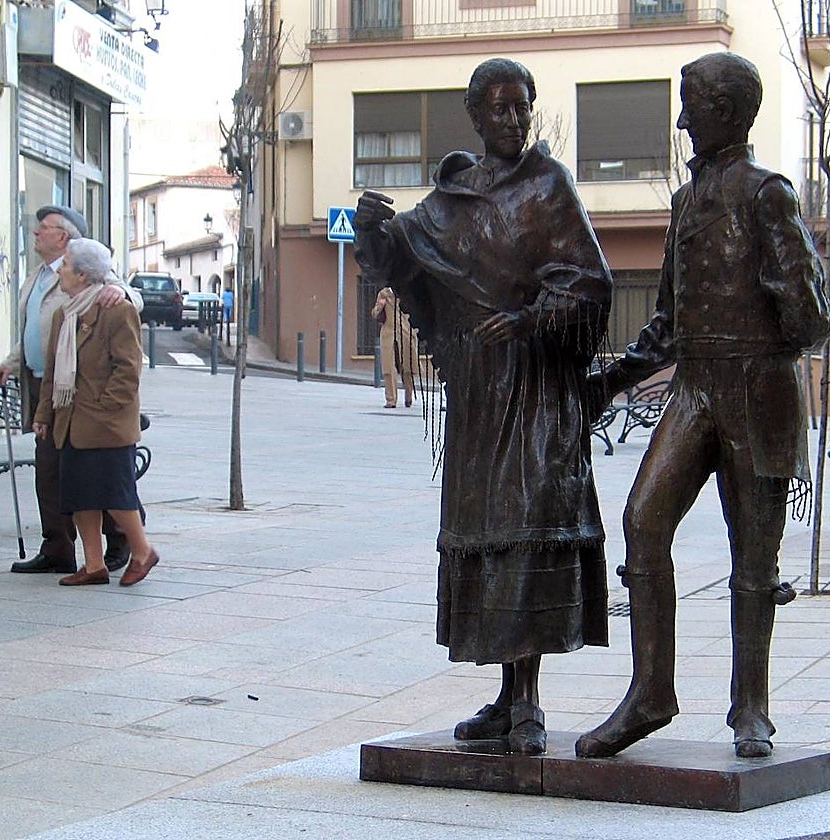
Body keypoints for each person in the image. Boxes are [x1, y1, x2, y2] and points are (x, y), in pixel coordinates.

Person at [576, 52, 830, 761]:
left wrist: (767, 326)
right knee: (642, 517)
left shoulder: (768, 194)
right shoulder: (688, 200)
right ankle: (650, 692)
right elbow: (667, 317)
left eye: (692, 105)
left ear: (729, 111)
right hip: (694, 388)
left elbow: (813, 317)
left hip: (757, 392)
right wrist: (613, 381)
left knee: (754, 558)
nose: (683, 120)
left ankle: (751, 706)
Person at [354, 57, 612, 756]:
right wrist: (372, 232)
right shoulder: (447, 202)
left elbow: (594, 286)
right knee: (491, 535)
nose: (512, 120)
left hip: (536, 391)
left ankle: (527, 702)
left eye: (521, 106)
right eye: (497, 108)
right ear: (474, 114)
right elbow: (404, 264)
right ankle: (506, 697)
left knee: (528, 531)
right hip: (479, 391)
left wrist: (533, 319)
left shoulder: (548, 186)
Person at [0, 206, 142, 576]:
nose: (35, 233)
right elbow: (35, 331)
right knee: (52, 474)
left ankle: (122, 544)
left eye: (43, 228)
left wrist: (116, 289)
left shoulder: (92, 274)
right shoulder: (39, 277)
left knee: (99, 478)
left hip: (86, 396)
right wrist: (13, 362)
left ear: (63, 236)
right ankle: (58, 548)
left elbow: (130, 302)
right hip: (50, 387)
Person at [32, 239, 159, 587]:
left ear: (84, 274)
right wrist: (44, 415)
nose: (61, 270)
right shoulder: (65, 313)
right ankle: (93, 565)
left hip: (107, 423)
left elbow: (128, 370)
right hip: (70, 421)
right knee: (78, 496)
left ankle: (143, 551)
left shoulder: (117, 310)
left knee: (115, 496)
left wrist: (105, 407)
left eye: (67, 264)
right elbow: (52, 368)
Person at [371, 286, 418, 408]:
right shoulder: (384, 293)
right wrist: (380, 307)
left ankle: (409, 396)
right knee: (388, 366)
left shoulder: (408, 292)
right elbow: (374, 314)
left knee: (407, 366)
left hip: (406, 332)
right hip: (388, 333)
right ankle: (391, 400)